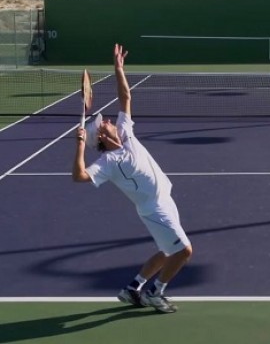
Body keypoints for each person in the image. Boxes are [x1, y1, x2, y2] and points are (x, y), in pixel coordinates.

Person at [72, 44, 193, 314]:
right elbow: (79, 176)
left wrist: (118, 69)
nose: (108, 121)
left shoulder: (125, 133)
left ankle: (132, 288)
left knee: (167, 251)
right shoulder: (109, 163)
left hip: (164, 199)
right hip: (154, 209)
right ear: (101, 136)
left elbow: (125, 97)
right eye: (104, 123)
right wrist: (80, 145)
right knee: (183, 251)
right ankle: (155, 292)